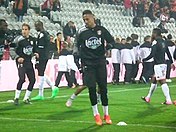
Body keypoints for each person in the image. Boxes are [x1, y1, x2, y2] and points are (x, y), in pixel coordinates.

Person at [73, 10, 114, 126]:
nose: (86, 21)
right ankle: (96, 115)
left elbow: (111, 41)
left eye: (87, 19)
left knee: (103, 88)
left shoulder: (101, 29)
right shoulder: (81, 32)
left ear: (93, 18)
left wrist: (110, 46)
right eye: (84, 19)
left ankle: (106, 114)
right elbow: (76, 44)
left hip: (100, 61)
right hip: (88, 63)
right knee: (91, 88)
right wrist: (75, 53)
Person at [141, 28, 175, 105]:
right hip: (163, 64)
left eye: (153, 33)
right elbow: (168, 52)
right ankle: (148, 97)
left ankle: (168, 100)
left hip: (158, 65)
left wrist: (144, 59)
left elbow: (152, 54)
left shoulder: (155, 42)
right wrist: (172, 62)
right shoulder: (164, 41)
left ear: (155, 34)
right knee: (154, 79)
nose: (152, 34)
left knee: (162, 82)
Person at [31, 21, 59, 101]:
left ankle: (41, 94)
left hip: (42, 56)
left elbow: (41, 46)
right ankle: (53, 87)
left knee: (40, 74)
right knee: (41, 72)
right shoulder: (45, 33)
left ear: (40, 26)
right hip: (44, 56)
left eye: (36, 26)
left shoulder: (42, 34)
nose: (35, 28)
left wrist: (37, 54)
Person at [13, 23, 39, 105]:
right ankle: (16, 98)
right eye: (23, 29)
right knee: (22, 79)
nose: (24, 31)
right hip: (21, 62)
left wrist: (35, 53)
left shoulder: (33, 40)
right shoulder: (18, 39)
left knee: (32, 80)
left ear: (29, 30)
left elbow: (34, 49)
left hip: (28, 62)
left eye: (25, 29)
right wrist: (17, 57)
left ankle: (26, 98)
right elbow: (11, 49)